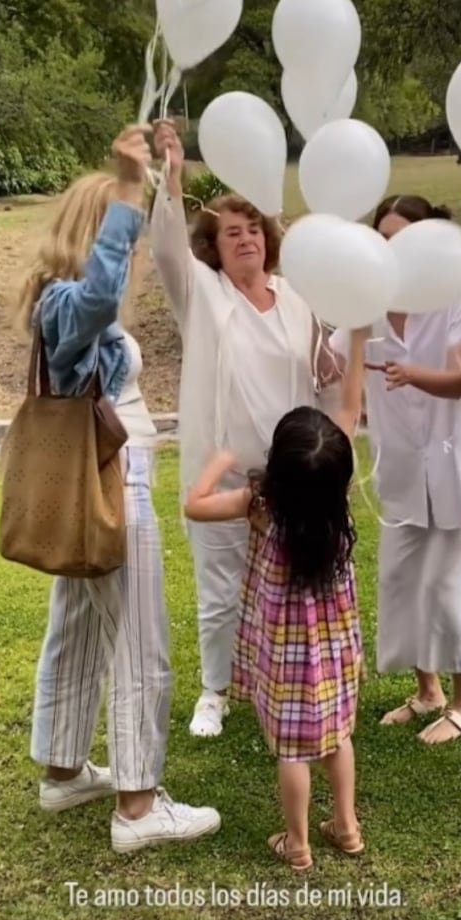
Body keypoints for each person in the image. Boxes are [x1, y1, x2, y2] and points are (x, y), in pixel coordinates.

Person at [19, 125, 220, 854]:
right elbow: (104, 291)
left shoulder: (58, 304)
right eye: (120, 234)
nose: (130, 254)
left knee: (75, 625)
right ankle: (138, 806)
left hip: (93, 486)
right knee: (139, 639)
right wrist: (131, 188)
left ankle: (65, 767)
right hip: (110, 485)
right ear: (94, 231)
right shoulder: (70, 304)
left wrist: (167, 175)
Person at [150, 122, 333, 739]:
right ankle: (215, 689)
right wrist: (172, 175)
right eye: (232, 232)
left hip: (292, 475)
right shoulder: (201, 293)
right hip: (225, 470)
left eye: (254, 228)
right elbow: (167, 250)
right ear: (216, 246)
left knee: (292, 578)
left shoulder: (295, 295)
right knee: (221, 583)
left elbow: (320, 367)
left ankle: (287, 681)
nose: (246, 238)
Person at [185, 329, 369, 872]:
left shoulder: (260, 504)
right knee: (336, 738)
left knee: (293, 751)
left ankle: (299, 843)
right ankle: (347, 826)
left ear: (277, 465)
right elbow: (352, 409)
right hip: (333, 651)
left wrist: (220, 460)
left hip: (286, 658)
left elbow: (195, 507)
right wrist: (358, 337)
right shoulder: (337, 502)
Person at [331, 196, 461, 745]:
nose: (391, 248)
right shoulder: (367, 306)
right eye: (382, 237)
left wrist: (412, 374)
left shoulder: (456, 297)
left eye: (402, 237)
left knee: (452, 587)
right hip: (402, 468)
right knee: (402, 582)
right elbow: (342, 377)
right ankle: (426, 691)